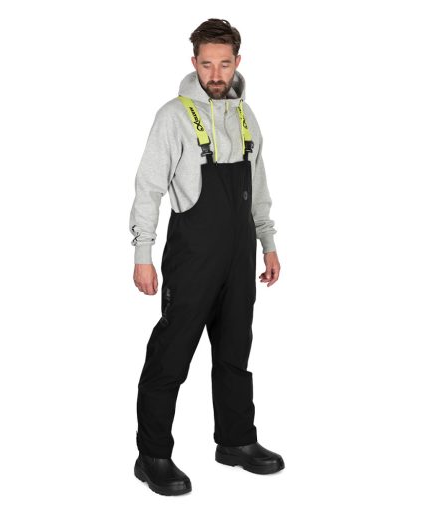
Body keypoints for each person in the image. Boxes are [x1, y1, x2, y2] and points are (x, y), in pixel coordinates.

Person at [129, 18, 284, 496]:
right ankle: (152, 456)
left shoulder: (246, 116)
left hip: (239, 258)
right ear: (194, 62)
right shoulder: (173, 116)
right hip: (192, 258)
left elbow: (258, 184)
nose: (215, 74)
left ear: (237, 62)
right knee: (171, 356)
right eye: (207, 64)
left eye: (224, 64)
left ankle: (236, 441)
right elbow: (149, 187)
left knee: (235, 351)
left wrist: (268, 242)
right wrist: (142, 252)